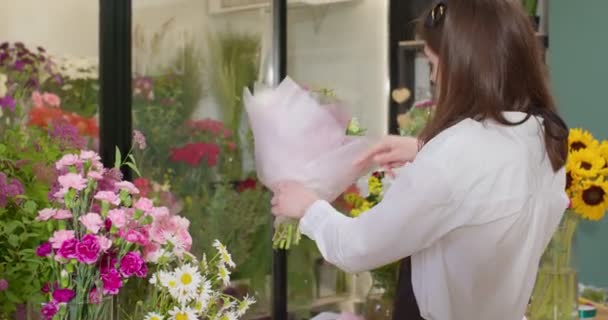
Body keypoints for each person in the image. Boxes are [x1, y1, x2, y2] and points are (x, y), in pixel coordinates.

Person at [270, 0, 570, 319]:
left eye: (432, 64)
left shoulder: (455, 154)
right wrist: (420, 147)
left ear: (462, 67)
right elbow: (489, 175)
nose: (435, 79)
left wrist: (308, 208)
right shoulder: (545, 137)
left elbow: (357, 247)